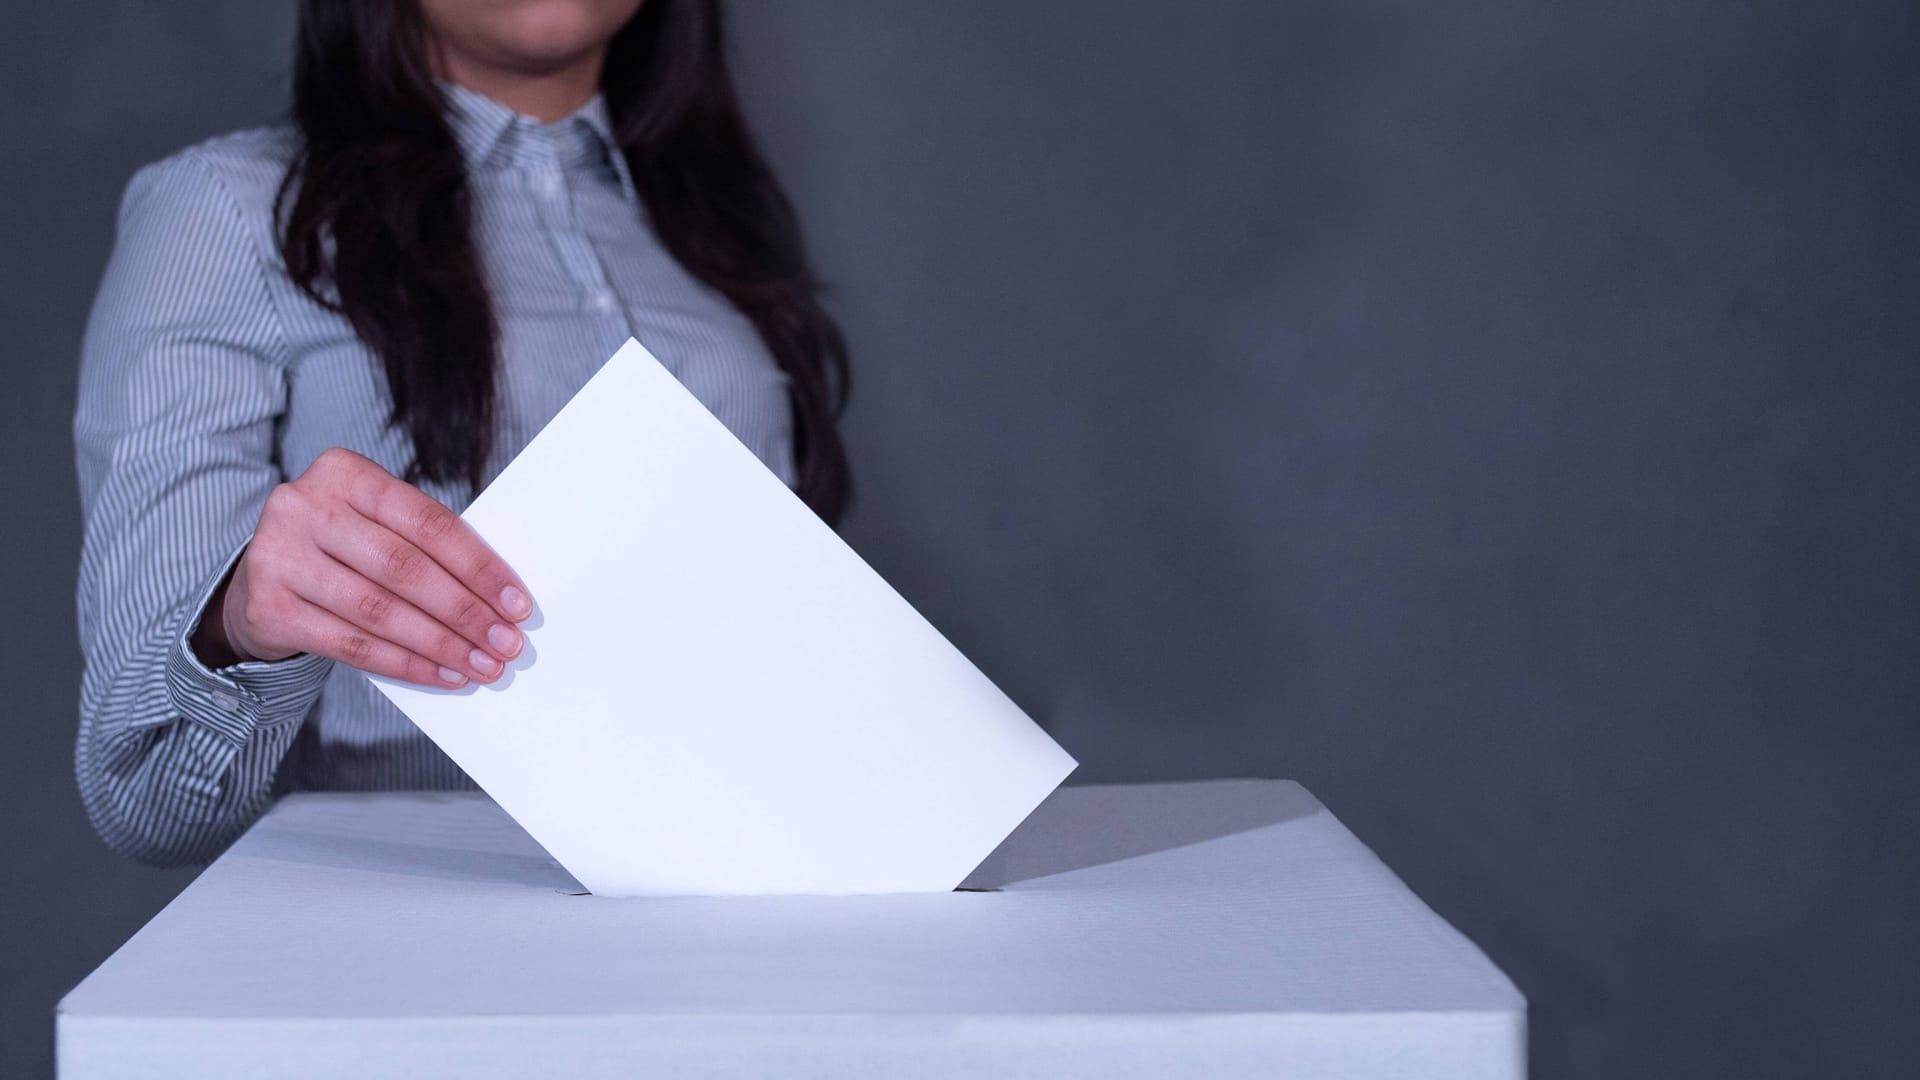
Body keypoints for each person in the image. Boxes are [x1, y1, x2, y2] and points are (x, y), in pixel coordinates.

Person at [72, 0, 849, 866]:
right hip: (418, 951)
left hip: (745, 924)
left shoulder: (714, 229)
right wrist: (239, 629)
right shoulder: (225, 213)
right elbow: (141, 797)